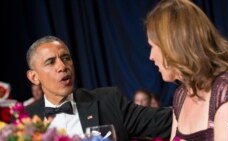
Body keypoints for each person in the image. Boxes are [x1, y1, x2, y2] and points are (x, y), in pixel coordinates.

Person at [25, 35, 172, 141]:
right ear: (34, 77)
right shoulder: (24, 120)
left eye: (66, 58)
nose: (62, 67)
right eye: (50, 62)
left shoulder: (108, 101)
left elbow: (163, 121)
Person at [145, 0, 228, 141]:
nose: (151, 57)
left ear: (173, 46)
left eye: (153, 46)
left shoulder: (227, 92)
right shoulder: (181, 95)